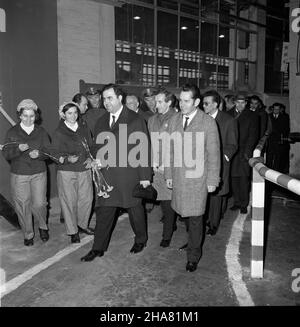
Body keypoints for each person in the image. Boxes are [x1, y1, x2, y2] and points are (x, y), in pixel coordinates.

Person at [81, 83, 152, 262]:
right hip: (107, 175)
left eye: (110, 98)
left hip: (129, 175)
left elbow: (143, 150)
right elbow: (97, 146)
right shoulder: (101, 121)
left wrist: (145, 178)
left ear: (120, 98)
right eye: (104, 98)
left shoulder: (136, 120)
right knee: (104, 212)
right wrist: (95, 159)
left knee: (135, 210)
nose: (106, 102)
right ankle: (98, 248)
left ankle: (141, 240)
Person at [164, 84, 220, 272]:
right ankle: (192, 242)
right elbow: (170, 151)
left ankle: (193, 256)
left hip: (198, 180)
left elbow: (214, 154)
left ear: (196, 102)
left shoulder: (207, 123)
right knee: (185, 215)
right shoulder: (174, 120)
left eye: (186, 100)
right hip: (179, 178)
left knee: (195, 217)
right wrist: (169, 174)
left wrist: (213, 180)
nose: (182, 104)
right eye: (180, 100)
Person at [2, 99, 50, 246]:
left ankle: (43, 226)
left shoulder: (41, 132)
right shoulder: (12, 132)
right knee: (22, 204)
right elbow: (7, 154)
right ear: (20, 116)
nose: (29, 119)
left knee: (40, 204)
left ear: (36, 116)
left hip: (38, 172)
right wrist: (18, 149)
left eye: (32, 116)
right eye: (25, 116)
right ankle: (28, 233)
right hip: (19, 173)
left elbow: (49, 152)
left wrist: (40, 155)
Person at [51, 101, 94, 244]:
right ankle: (73, 231)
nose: (73, 116)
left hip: (84, 168)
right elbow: (54, 153)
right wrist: (67, 159)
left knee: (86, 199)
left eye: (75, 112)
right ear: (63, 115)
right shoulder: (59, 132)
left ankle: (82, 225)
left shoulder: (83, 127)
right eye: (69, 113)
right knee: (69, 201)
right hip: (66, 171)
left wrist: (90, 158)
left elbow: (91, 146)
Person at [202, 90, 238, 235]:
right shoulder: (201, 119)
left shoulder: (229, 120)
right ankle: (204, 219)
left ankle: (213, 224)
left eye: (206, 103)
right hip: (202, 163)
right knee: (204, 193)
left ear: (215, 104)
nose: (203, 106)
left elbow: (233, 145)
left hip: (220, 163)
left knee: (216, 195)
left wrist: (221, 157)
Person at [148, 88, 177, 247]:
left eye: (159, 101)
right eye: (155, 101)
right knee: (162, 200)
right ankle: (171, 224)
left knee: (168, 202)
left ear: (169, 102)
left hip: (170, 167)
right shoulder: (152, 120)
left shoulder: (177, 118)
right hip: (155, 166)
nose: (155, 104)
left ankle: (167, 235)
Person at [228, 93, 259, 214]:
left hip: (244, 151)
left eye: (243, 102)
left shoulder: (252, 115)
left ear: (246, 103)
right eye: (238, 102)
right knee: (233, 178)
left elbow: (253, 135)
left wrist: (248, 151)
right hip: (231, 152)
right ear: (234, 102)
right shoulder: (228, 114)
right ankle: (236, 202)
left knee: (243, 178)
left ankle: (244, 204)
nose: (240, 105)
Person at [266, 102, 290, 173]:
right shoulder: (268, 116)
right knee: (269, 156)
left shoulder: (284, 117)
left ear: (280, 110)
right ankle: (268, 171)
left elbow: (286, 129)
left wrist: (284, 139)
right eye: (275, 109)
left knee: (278, 156)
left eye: (278, 109)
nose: (276, 110)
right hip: (270, 140)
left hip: (279, 140)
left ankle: (276, 172)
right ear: (272, 109)